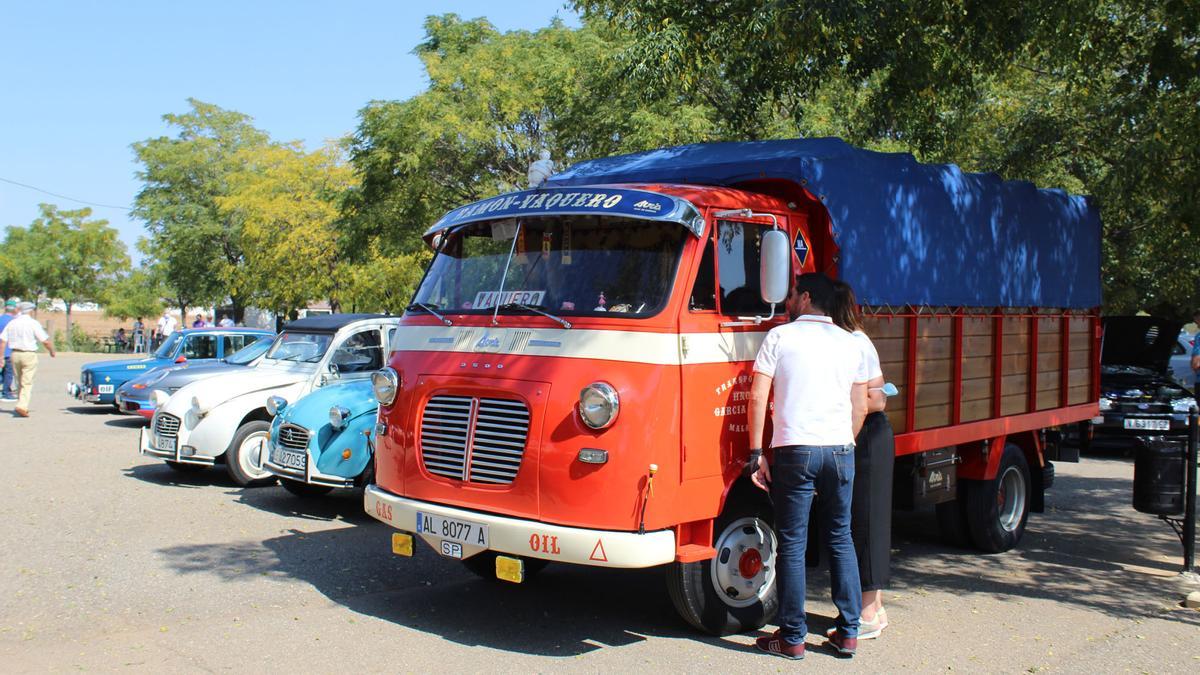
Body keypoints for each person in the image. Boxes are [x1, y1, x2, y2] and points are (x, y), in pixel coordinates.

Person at [749, 273, 869, 659]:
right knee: (840, 537)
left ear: (805, 298)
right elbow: (862, 405)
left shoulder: (781, 337)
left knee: (794, 544)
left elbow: (757, 397)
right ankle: (848, 632)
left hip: (794, 449)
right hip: (839, 449)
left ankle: (792, 637)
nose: (787, 301)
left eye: (792, 295)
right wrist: (843, 443)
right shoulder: (851, 342)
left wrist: (756, 453)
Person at [827, 279, 896, 640]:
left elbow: (879, 398)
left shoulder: (854, 342)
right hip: (863, 433)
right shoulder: (849, 340)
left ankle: (868, 612)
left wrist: (845, 422)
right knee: (863, 523)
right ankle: (875, 608)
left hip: (867, 435)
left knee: (866, 524)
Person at [0, 302, 56, 417]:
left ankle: (21, 403)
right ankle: (22, 405)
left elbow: (3, 341)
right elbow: (45, 340)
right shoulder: (32, 323)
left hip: (14, 354)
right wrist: (51, 351)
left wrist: (1, 356)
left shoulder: (13, 323)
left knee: (19, 381)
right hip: (29, 354)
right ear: (30, 311)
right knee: (27, 381)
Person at [0, 299, 17, 401]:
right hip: (9, 350)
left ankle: (7, 389)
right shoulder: (14, 322)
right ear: (14, 309)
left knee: (2, 372)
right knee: (9, 372)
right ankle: (6, 393)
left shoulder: (1, 319)